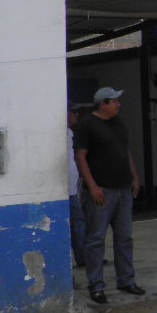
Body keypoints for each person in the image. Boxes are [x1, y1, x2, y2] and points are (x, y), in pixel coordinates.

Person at [73, 87, 143, 304]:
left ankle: (126, 280)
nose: (118, 104)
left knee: (124, 237)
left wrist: (134, 176)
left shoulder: (119, 124)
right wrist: (92, 185)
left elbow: (125, 151)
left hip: (123, 189)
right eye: (114, 101)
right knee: (96, 239)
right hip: (102, 191)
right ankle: (96, 285)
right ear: (103, 103)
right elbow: (80, 156)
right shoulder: (87, 126)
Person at [66, 103, 86, 270]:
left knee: (79, 222)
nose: (76, 115)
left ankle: (83, 257)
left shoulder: (70, 133)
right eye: (73, 112)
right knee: (77, 222)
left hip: (73, 188)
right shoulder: (61, 134)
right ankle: (82, 257)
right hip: (65, 191)